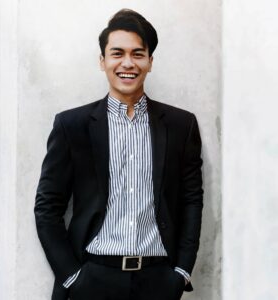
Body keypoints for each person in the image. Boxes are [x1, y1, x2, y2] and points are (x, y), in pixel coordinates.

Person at [34, 8, 203, 300]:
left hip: (158, 281)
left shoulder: (181, 125)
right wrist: (73, 277)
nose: (128, 63)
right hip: (92, 279)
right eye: (117, 53)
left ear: (150, 61)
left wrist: (181, 272)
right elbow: (47, 208)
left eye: (138, 54)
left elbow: (191, 200)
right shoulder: (71, 125)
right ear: (102, 61)